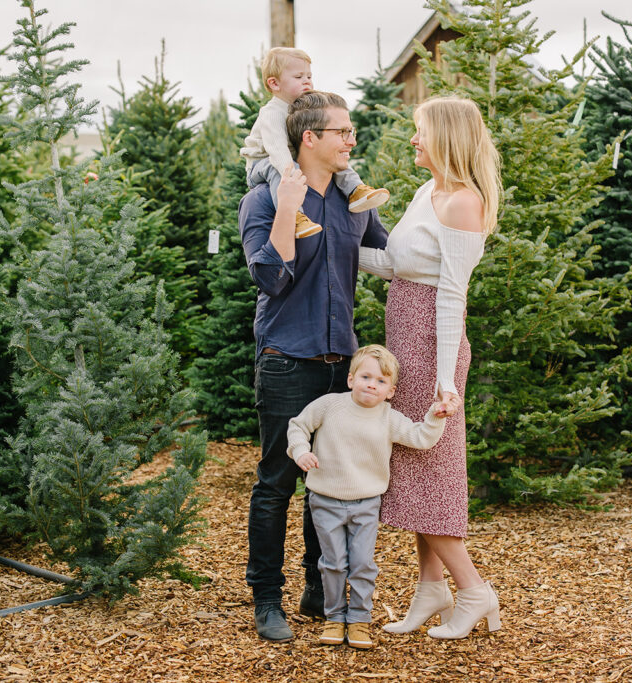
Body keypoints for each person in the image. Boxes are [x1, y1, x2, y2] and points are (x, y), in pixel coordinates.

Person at [240, 90, 390, 643]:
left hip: (341, 368)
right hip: (287, 362)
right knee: (278, 483)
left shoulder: (356, 202)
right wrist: (286, 211)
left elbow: (389, 258)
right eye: (342, 132)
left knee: (325, 482)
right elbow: (270, 280)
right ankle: (267, 599)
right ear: (310, 139)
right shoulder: (262, 199)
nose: (352, 140)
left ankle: (315, 587)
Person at [358, 95, 503, 640]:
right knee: (414, 470)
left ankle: (473, 591)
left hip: (433, 344)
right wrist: (335, 247)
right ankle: (430, 589)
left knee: (431, 470)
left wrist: (445, 381)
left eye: (420, 131)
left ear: (445, 136)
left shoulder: (463, 203)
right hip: (405, 339)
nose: (413, 140)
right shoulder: (428, 191)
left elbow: (450, 295)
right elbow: (396, 265)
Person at [286, 344, 448, 649]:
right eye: (365, 377)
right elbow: (298, 425)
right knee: (333, 562)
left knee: (361, 563)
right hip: (325, 500)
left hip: (366, 503)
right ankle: (335, 619)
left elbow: (421, 437)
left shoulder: (388, 417)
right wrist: (301, 451)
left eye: (381, 381)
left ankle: (359, 620)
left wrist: (435, 415)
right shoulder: (330, 405)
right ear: (351, 380)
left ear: (390, 391)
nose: (371, 384)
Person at [241, 47, 389, 239]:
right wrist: (294, 175)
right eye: (298, 77)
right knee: (280, 171)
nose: (307, 81)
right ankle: (295, 216)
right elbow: (277, 151)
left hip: (288, 157)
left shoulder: (302, 108)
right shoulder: (272, 113)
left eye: (309, 76)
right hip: (263, 162)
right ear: (274, 83)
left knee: (334, 154)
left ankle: (355, 190)